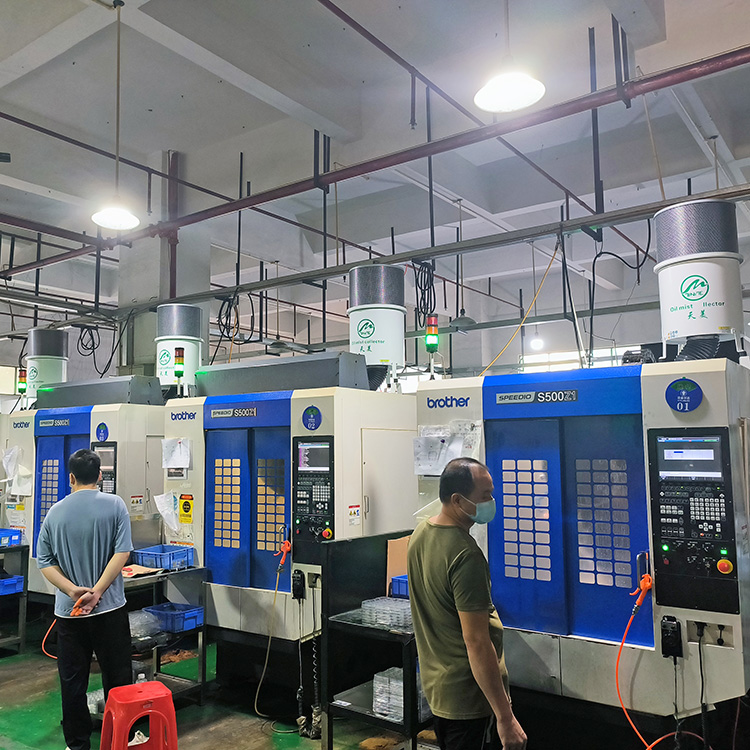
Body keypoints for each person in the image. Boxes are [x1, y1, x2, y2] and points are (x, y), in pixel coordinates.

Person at [408, 457, 526, 750]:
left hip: (439, 691)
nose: (491, 502)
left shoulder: (420, 534)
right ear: (458, 500)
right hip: (469, 699)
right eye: (484, 496)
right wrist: (505, 717)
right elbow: (476, 642)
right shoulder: (466, 556)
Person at [37, 448, 134, 750]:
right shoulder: (115, 505)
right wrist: (98, 592)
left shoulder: (54, 513)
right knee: (118, 678)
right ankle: (121, 739)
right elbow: (122, 552)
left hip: (70, 613)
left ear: (71, 478)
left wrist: (71, 590)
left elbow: (45, 562)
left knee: (73, 682)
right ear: (100, 476)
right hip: (109, 609)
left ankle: (77, 744)